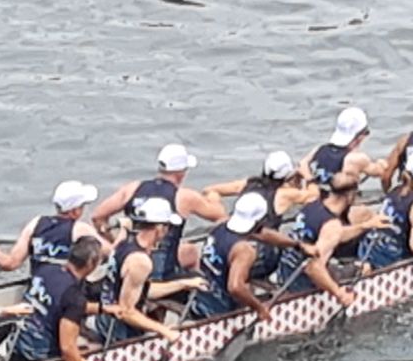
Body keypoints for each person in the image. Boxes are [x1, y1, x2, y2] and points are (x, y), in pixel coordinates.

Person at [87, 144, 227, 277]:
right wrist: (214, 196)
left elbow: (98, 217)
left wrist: (113, 242)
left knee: (189, 251)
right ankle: (193, 284)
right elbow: (220, 216)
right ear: (181, 173)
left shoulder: (132, 188)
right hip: (162, 268)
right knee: (191, 254)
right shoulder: (184, 197)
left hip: (128, 258)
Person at [9, 236, 106, 361]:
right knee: (94, 346)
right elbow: (67, 348)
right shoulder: (74, 297)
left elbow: (57, 304)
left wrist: (104, 309)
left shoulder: (46, 270)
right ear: (91, 264)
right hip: (39, 355)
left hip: (17, 341)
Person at [96, 197, 200, 344]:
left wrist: (184, 284)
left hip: (104, 318)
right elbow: (125, 311)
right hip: (120, 334)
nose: (168, 231)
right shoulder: (140, 261)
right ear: (159, 228)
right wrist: (165, 331)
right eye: (168, 227)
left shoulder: (125, 243)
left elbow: (142, 290)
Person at [273, 174, 371, 307]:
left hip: (286, 270)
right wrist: (339, 294)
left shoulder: (313, 204)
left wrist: (364, 226)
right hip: (302, 282)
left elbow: (332, 236)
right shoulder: (332, 225)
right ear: (349, 196)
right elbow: (313, 268)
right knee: (365, 267)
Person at [192, 193, 279, 321]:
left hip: (201, 294)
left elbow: (263, 233)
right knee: (244, 284)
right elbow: (235, 287)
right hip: (220, 308)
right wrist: (259, 308)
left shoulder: (220, 227)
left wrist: (295, 244)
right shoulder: (244, 250)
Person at [7, 180, 106, 278]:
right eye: (82, 206)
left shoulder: (36, 223)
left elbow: (12, 263)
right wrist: (107, 230)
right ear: (75, 211)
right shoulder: (80, 229)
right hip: (68, 286)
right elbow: (110, 253)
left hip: (38, 285)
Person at [306, 107, 384, 189]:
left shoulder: (320, 149)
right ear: (360, 136)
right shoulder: (356, 159)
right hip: (344, 196)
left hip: (320, 193)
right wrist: (381, 163)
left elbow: (302, 165)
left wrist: (311, 181)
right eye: (366, 132)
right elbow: (379, 172)